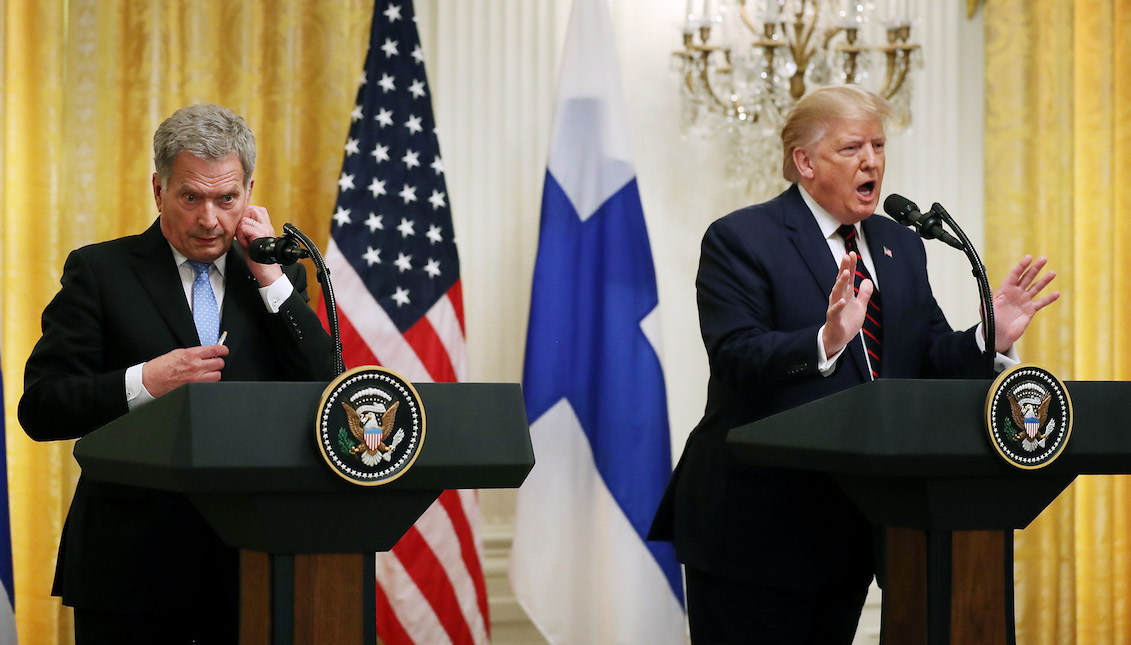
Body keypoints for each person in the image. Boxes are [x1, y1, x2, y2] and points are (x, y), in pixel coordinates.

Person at [649, 86, 1059, 644]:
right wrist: (824, 341)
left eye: (878, 146)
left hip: (852, 532)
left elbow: (928, 355)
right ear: (805, 162)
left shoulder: (899, 244)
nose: (871, 161)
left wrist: (988, 335)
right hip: (753, 534)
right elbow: (736, 355)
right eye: (851, 149)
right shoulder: (741, 238)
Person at [18, 104, 336, 644]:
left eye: (227, 198)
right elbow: (43, 406)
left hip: (254, 562)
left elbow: (328, 386)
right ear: (158, 190)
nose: (210, 219)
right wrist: (145, 381)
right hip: (130, 571)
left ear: (249, 191)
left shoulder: (275, 279)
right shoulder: (100, 272)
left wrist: (272, 280)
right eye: (191, 197)